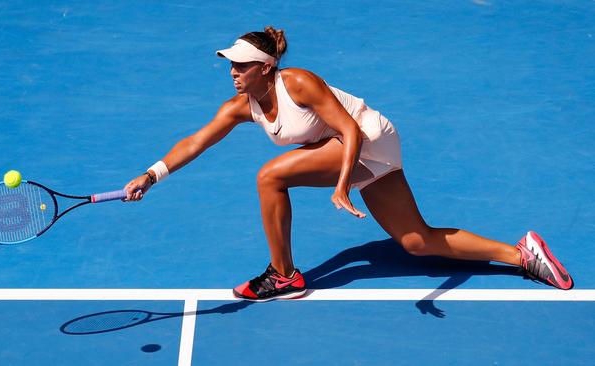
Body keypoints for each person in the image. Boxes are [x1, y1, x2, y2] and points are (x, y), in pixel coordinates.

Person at [124, 26, 574, 301]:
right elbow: (195, 142)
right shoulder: (240, 106)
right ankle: (521, 254)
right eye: (230, 64)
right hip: (348, 151)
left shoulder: (297, 83)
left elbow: (352, 131)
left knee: (269, 176)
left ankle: (283, 276)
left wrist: (342, 185)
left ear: (266, 67)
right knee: (416, 241)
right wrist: (151, 175)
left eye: (241, 65)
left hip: (370, 137)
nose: (232, 71)